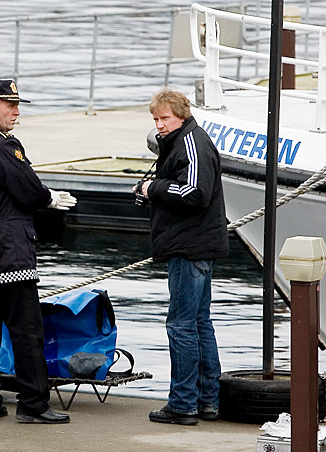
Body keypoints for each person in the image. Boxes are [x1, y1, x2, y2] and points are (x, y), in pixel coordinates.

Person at [0, 79, 75, 424]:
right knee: (27, 329)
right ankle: (33, 403)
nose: (17, 112)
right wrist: (50, 198)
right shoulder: (3, 145)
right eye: (11, 105)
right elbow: (29, 189)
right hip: (6, 250)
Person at [135, 89, 229, 425]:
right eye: (155, 119)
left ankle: (183, 403)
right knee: (200, 323)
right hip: (197, 245)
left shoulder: (191, 143)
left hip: (189, 247)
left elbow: (195, 193)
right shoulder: (183, 142)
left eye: (165, 118)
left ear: (182, 115)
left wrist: (151, 189)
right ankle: (207, 401)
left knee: (181, 325)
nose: (159, 125)